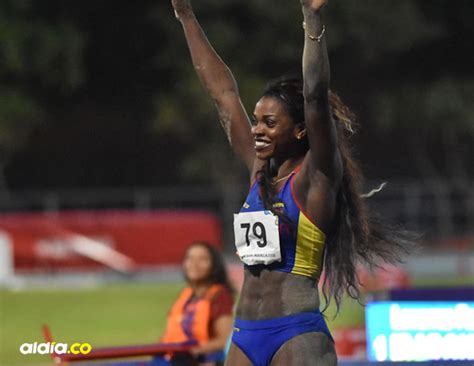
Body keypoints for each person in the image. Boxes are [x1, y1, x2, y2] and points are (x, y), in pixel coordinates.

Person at [170, 0, 414, 365]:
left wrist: (312, 18)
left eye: (269, 123)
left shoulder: (317, 178)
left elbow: (315, 95)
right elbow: (222, 95)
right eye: (255, 121)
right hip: (244, 334)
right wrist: (185, 15)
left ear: (301, 130)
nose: (256, 130)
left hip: (295, 335)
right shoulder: (258, 170)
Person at [160, 241, 234, 366]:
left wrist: (191, 350)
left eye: (202, 259)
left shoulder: (219, 296)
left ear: (214, 265)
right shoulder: (186, 295)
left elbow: (224, 340)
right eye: (190, 258)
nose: (195, 264)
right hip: (173, 357)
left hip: (200, 360)